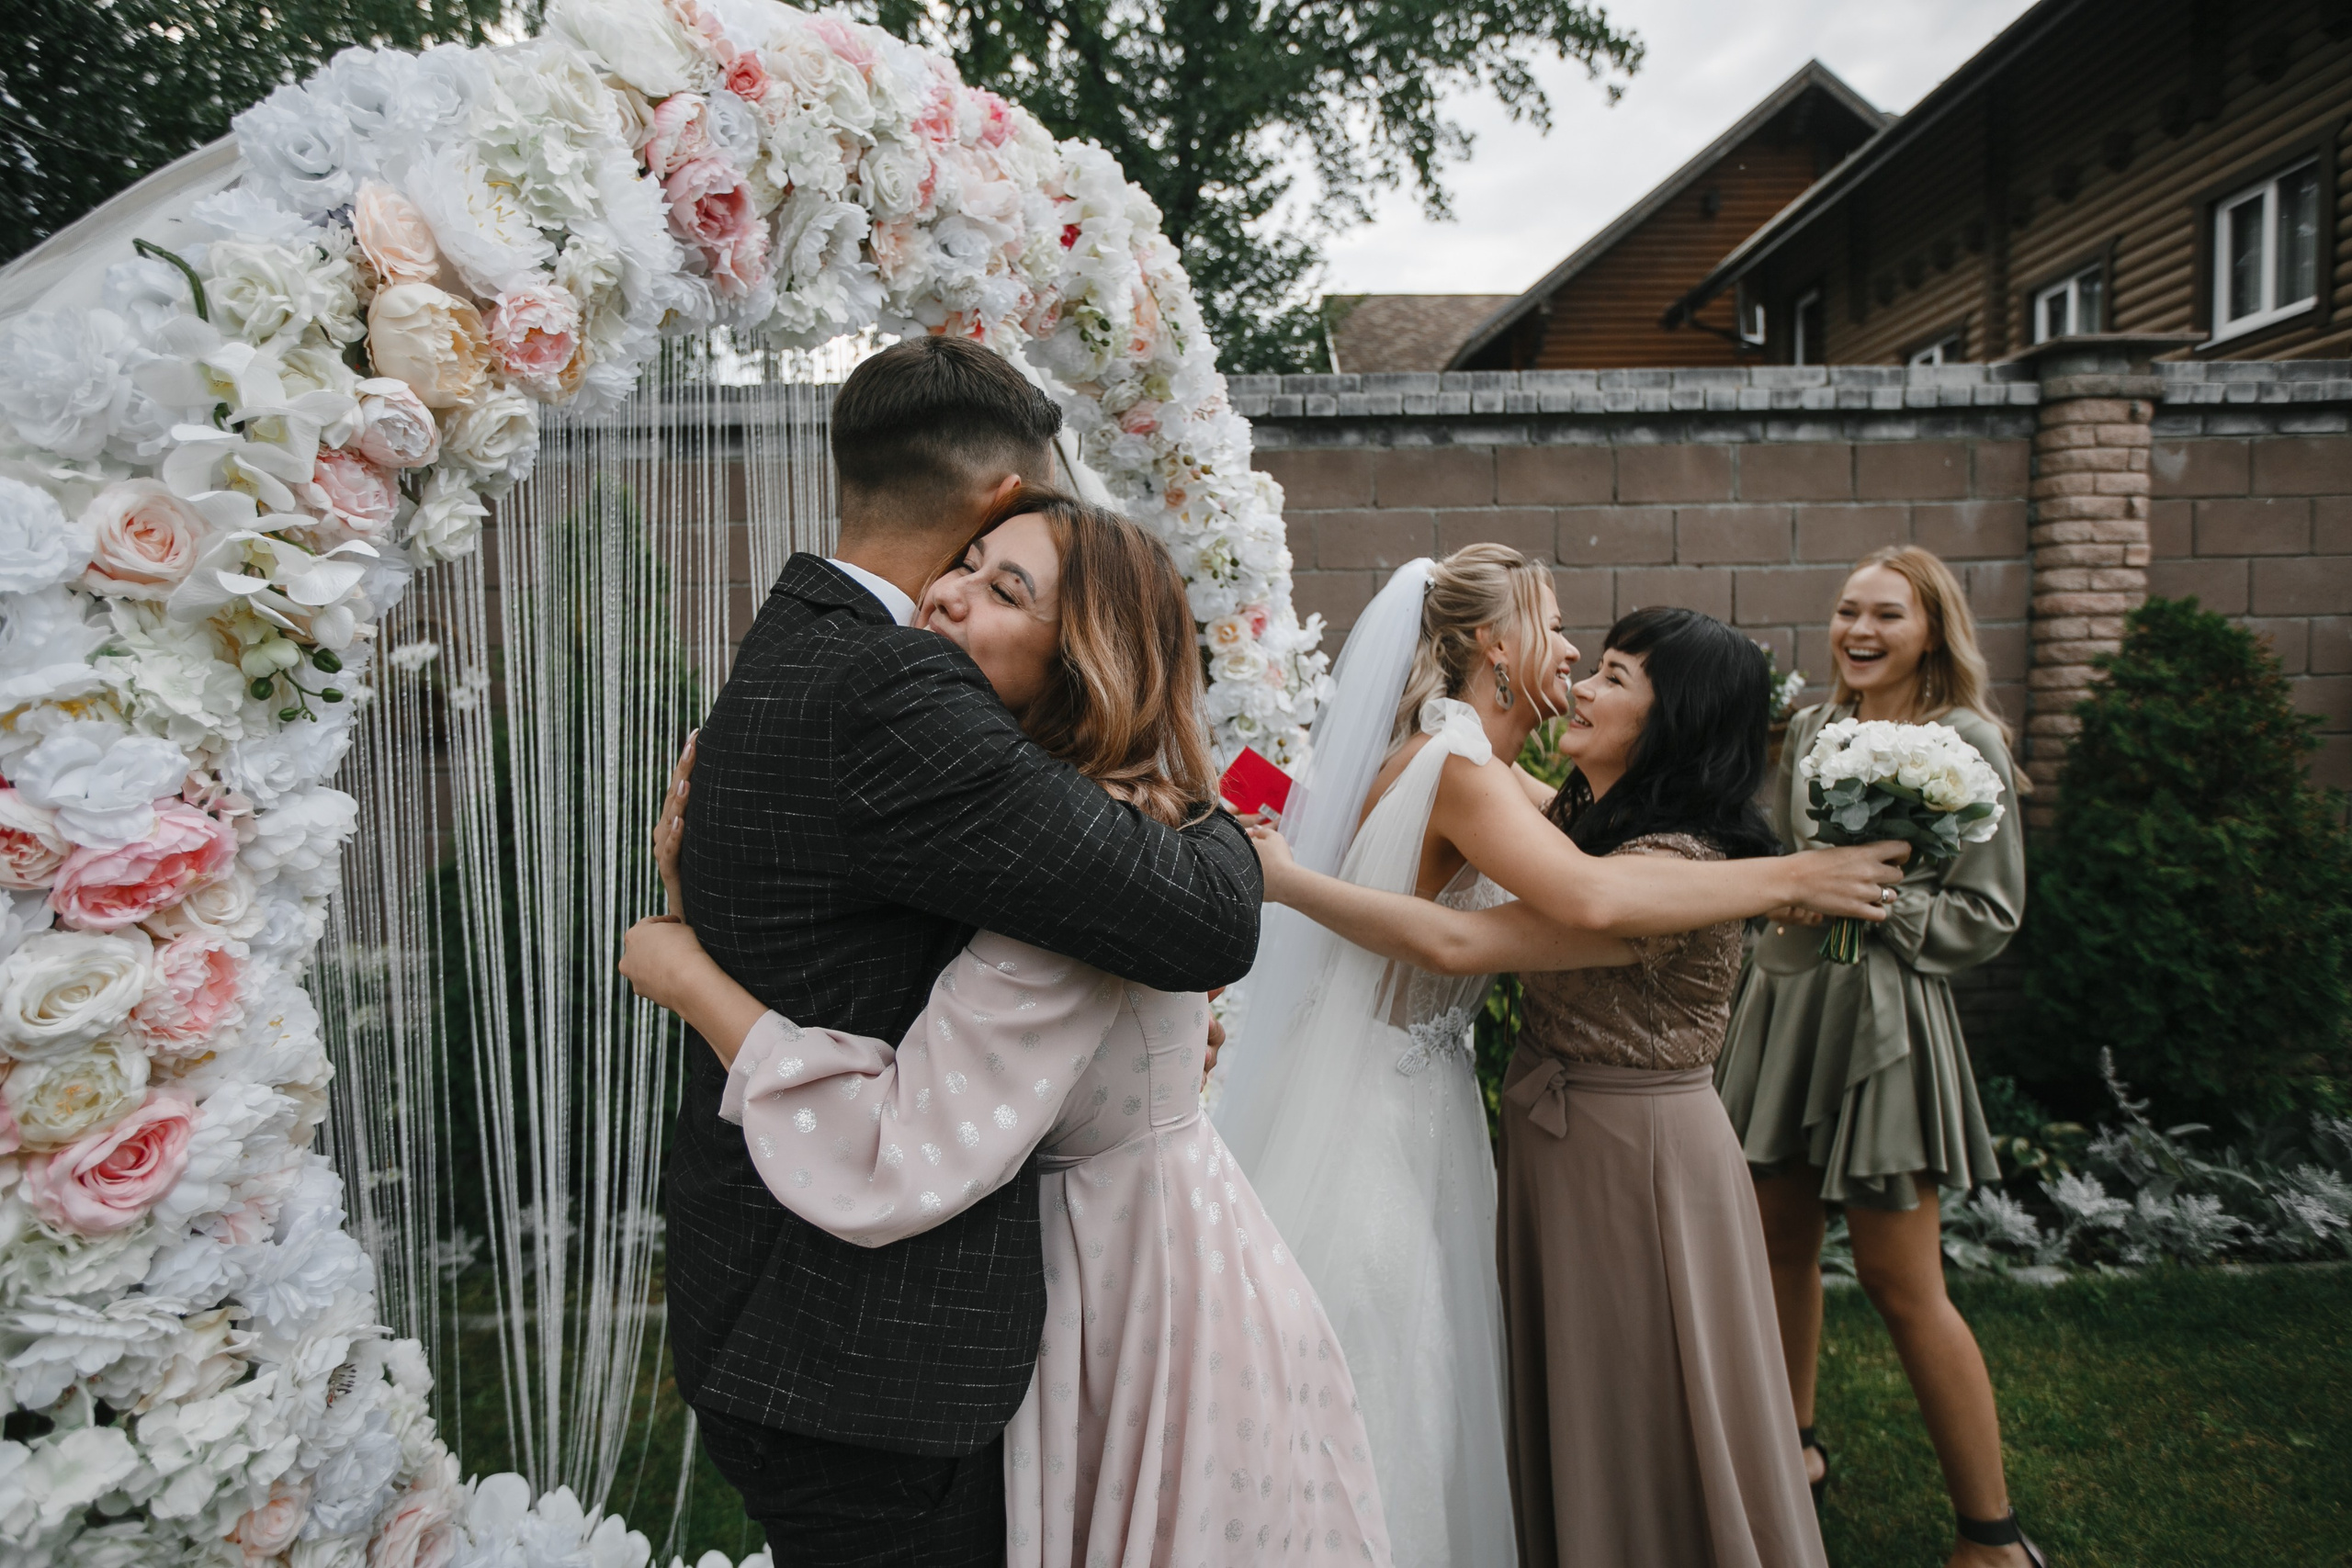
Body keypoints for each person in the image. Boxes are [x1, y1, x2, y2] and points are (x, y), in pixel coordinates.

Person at [626, 491, 1391, 1568]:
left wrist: (690, 973)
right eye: (968, 561)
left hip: (1132, 1299)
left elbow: (893, 1149)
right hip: (1163, 1250)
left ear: (1084, 661)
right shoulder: (1084, 837)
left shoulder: (1069, 909)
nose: (946, 591)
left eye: (1005, 589)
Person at [1208, 547, 1909, 1568]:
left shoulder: (1470, 766)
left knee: (1413, 1365)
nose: (1576, 654)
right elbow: (1585, 900)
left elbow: (1591, 859)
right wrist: (1792, 872)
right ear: (1496, 644)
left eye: (1611, 666)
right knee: (1393, 1365)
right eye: (1560, 626)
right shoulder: (1464, 766)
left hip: (1421, 1093)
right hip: (1388, 1103)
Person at [1714, 545, 2042, 1568]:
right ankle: (1793, 1455)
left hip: (1887, 1025)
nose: (1859, 631)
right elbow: (1785, 861)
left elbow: (1990, 910)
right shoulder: (1813, 728)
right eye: (1847, 611)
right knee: (1776, 1251)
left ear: (1932, 631)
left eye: (1886, 616)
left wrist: (1872, 898)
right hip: (1789, 1005)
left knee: (1906, 1283)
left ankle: (1993, 1534)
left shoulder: (1967, 737)